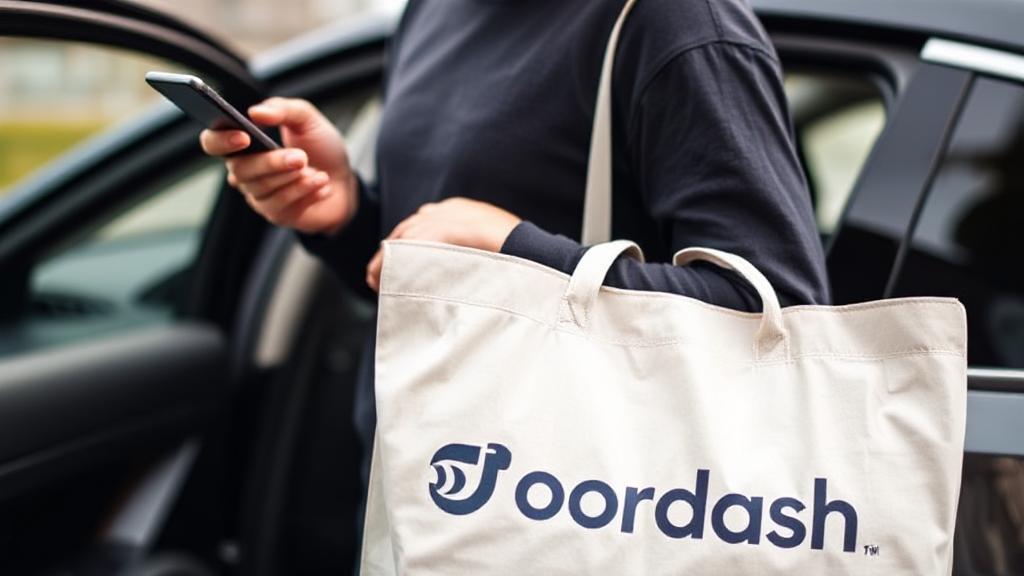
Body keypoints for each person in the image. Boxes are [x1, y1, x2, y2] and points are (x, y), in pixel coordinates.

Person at [201, 0, 829, 481]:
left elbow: (778, 317)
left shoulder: (674, 22)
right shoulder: (431, 12)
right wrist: (344, 216)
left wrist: (512, 250)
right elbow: (444, 286)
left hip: (583, 509)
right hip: (417, 494)